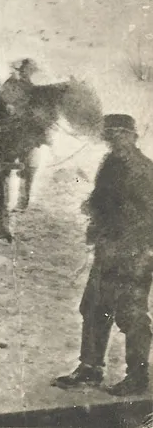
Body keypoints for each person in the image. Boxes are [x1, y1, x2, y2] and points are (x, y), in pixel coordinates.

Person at [53, 113, 153, 396]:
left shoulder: (144, 170)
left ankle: (137, 376)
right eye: (111, 135)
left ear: (134, 136)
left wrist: (140, 249)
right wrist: (93, 210)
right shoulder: (110, 164)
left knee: (131, 313)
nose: (116, 140)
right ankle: (90, 369)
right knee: (95, 306)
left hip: (135, 251)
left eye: (122, 134)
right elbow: (102, 198)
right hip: (108, 248)